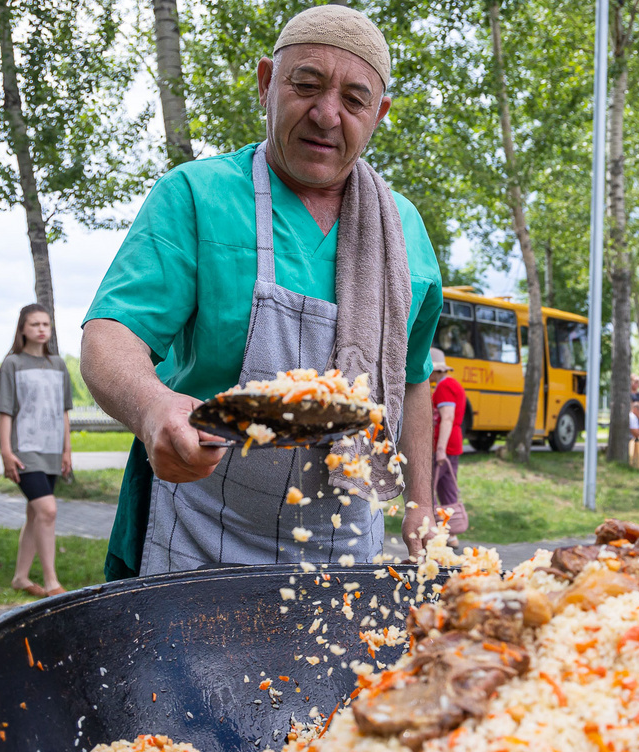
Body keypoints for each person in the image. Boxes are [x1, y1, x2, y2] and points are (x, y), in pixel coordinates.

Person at [80, 5, 443, 579]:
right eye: (306, 85)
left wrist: (422, 502)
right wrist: (153, 409)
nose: (326, 115)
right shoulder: (196, 196)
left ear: (379, 114)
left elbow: (415, 377)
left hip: (344, 547)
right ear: (266, 83)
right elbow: (111, 333)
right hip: (200, 536)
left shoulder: (404, 232)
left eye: (353, 100)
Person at [0, 304, 74, 597]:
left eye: (46, 324)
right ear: (22, 329)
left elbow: (64, 411)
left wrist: (67, 451)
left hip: (52, 451)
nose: (41, 329)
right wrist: (6, 451)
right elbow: (5, 411)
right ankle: (52, 582)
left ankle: (20, 578)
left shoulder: (59, 365)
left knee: (34, 514)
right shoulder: (12, 364)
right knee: (47, 510)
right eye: (34, 324)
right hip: (24, 451)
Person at [430, 347, 465, 547]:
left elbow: (447, 418)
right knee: (447, 487)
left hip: (445, 444)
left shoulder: (444, 387)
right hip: (454, 442)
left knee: (431, 486)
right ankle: (450, 533)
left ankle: (436, 531)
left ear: (436, 370)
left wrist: (440, 448)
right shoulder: (453, 384)